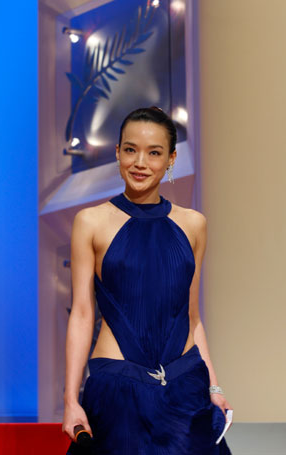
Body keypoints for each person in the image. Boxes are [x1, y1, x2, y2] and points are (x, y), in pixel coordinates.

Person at [62, 106, 233, 454]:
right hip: (116, 389)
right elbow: (81, 314)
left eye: (154, 153)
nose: (140, 162)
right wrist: (70, 398)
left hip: (186, 388)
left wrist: (213, 387)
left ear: (170, 159)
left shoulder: (194, 224)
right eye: (130, 149)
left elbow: (192, 317)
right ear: (117, 152)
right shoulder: (90, 222)